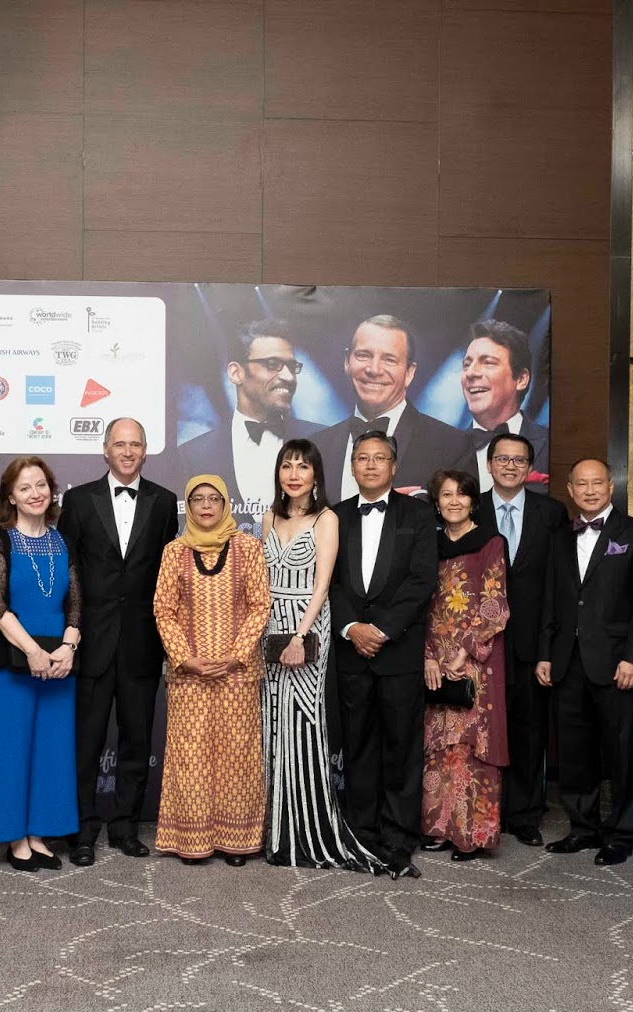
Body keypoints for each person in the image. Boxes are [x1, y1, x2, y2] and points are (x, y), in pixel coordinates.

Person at [56, 417, 179, 867]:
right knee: (85, 742)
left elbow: (167, 576)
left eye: (135, 444)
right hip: (90, 641)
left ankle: (125, 825)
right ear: (105, 450)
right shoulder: (78, 500)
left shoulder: (164, 502)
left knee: (136, 740)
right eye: (120, 444)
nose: (128, 452)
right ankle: (82, 829)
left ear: (145, 450)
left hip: (142, 642)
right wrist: (69, 634)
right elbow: (68, 572)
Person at [260, 440, 381, 871]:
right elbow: (262, 581)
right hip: (269, 627)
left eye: (303, 467)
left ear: (316, 475)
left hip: (307, 626)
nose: (294, 475)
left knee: (303, 723)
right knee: (272, 722)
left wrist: (300, 635)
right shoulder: (269, 517)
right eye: (287, 466)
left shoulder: (326, 519)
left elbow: (323, 585)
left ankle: (307, 826)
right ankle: (274, 827)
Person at [536, 458, 633, 866]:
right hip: (567, 661)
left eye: (597, 483)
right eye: (582, 484)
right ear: (571, 490)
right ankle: (583, 827)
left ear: (611, 487)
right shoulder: (559, 537)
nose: (590, 491)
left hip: (616, 662)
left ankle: (622, 834)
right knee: (574, 751)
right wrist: (544, 654)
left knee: (621, 750)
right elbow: (550, 600)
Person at [328, 430, 439, 879]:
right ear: (352, 466)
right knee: (357, 745)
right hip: (351, 650)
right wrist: (352, 627)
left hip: (398, 650)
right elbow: (328, 580)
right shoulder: (334, 516)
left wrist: (382, 629)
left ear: (393, 467)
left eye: (379, 458)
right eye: (362, 458)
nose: (370, 465)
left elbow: (422, 580)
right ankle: (361, 834)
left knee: (401, 748)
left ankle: (397, 838)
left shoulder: (418, 513)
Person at [151, 475, 271, 865]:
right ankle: (193, 840)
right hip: (189, 673)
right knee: (192, 756)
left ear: (225, 504)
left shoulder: (248, 547)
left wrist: (236, 655)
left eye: (214, 498)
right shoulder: (174, 551)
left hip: (237, 672)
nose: (206, 506)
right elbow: (163, 610)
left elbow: (260, 606)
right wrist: (185, 658)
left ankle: (236, 841)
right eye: (198, 499)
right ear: (188, 506)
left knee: (236, 755)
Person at [0, 458, 82, 871]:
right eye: (24, 488)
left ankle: (39, 833)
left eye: (41, 485)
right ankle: (15, 838)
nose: (35, 494)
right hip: (11, 661)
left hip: (59, 663)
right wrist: (32, 652)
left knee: (51, 750)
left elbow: (76, 603)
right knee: (10, 749)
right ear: (10, 497)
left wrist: (68, 647)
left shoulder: (63, 540)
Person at [481, 432, 569, 846]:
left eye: (519, 460)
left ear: (530, 467)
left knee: (529, 729)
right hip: (480, 643)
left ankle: (525, 814)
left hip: (532, 641)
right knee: (482, 728)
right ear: (489, 464)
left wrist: (550, 646)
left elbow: (560, 583)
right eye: (503, 459)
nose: (510, 466)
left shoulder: (551, 513)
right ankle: (485, 810)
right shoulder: (470, 507)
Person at [420, 468, 511, 861]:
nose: (454, 501)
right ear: (437, 502)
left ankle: (471, 834)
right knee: (438, 744)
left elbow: (495, 605)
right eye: (446, 495)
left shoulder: (490, 543)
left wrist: (464, 652)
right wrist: (429, 655)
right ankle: (438, 828)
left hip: (477, 660)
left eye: (461, 494)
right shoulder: (430, 544)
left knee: (472, 746)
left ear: (473, 501)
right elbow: (420, 603)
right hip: (434, 659)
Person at [311, 314, 477, 498]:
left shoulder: (452, 447)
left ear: (409, 373)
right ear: (347, 362)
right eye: (364, 355)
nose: (374, 369)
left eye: (389, 359)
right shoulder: (316, 448)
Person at [175, 320, 324, 518]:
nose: (288, 377)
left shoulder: (322, 441)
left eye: (292, 366)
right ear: (236, 373)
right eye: (272, 364)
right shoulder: (194, 455)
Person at [459, 320, 550, 491]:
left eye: (488, 362)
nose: (471, 372)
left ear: (521, 379)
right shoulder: (446, 450)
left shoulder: (550, 445)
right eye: (466, 364)